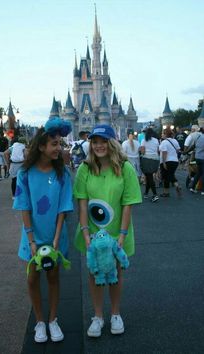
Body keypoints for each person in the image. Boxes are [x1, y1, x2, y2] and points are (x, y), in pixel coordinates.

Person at [73, 124, 142, 337]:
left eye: (103, 141)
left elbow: (127, 204)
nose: (99, 146)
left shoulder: (125, 168)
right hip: (92, 231)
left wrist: (121, 236)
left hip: (117, 231)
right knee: (95, 273)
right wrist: (86, 234)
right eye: (95, 142)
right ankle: (97, 316)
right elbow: (82, 203)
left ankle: (115, 313)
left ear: (112, 143)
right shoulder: (85, 168)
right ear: (90, 144)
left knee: (114, 273)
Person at [13, 118, 73, 344]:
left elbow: (63, 208)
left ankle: (53, 320)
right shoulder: (25, 175)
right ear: (41, 146)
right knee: (32, 278)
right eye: (54, 144)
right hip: (31, 237)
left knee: (53, 276)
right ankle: (39, 321)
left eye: (60, 143)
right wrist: (31, 241)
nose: (59, 148)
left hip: (56, 236)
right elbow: (24, 208)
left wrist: (56, 239)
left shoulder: (63, 174)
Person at [159, 128, 182, 197]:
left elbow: (164, 153)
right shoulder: (175, 141)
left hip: (167, 161)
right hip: (175, 161)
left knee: (166, 177)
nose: (161, 135)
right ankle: (176, 185)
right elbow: (178, 150)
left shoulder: (164, 142)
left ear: (166, 134)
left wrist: (164, 162)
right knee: (170, 175)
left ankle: (166, 192)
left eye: (163, 133)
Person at [140, 128, 160, 202]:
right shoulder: (156, 140)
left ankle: (155, 194)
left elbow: (142, 151)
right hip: (155, 160)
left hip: (147, 159)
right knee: (149, 176)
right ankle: (146, 193)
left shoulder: (144, 140)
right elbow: (158, 151)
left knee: (149, 177)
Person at [189, 128, 204, 195]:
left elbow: (193, 146)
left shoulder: (198, 138)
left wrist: (185, 151)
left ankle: (192, 187)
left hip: (197, 158)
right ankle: (203, 190)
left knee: (198, 173)